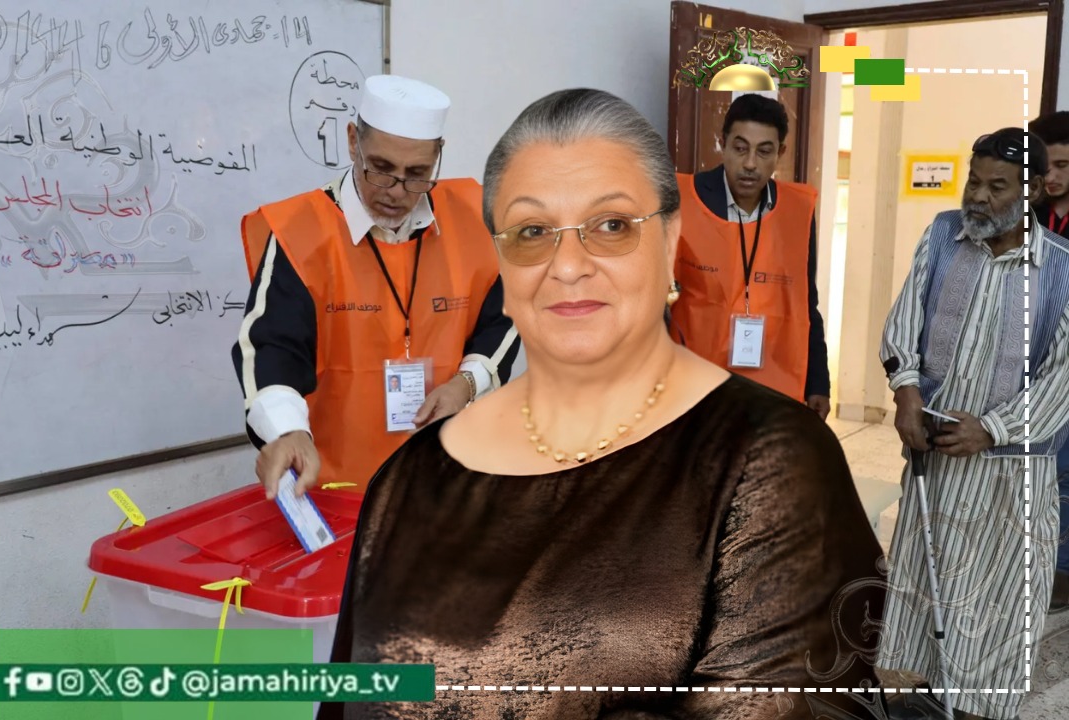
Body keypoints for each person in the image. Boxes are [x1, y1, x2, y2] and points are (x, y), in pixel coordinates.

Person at [318, 89, 886, 720]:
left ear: (669, 240)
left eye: (612, 226)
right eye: (532, 232)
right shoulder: (409, 479)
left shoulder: (774, 466)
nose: (568, 266)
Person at [232, 75, 520, 497]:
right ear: (353, 141)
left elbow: (506, 317)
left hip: (447, 477)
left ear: (438, 155)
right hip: (337, 486)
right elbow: (272, 348)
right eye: (381, 169)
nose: (397, 192)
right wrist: (287, 432)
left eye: (417, 174)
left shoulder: (473, 219)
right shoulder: (300, 233)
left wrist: (466, 385)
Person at [878, 128, 1069, 720]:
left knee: (999, 608)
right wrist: (906, 392)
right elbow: (905, 321)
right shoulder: (942, 236)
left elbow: (1063, 377)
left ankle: (976, 712)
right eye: (974, 182)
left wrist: (991, 429)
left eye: (998, 186)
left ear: (1032, 191)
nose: (979, 197)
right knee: (924, 593)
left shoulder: (1062, 269)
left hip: (1011, 479)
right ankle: (917, 701)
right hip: (936, 464)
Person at [668, 93, 831, 419]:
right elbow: (650, 299)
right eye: (740, 148)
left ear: (780, 152)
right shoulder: (684, 200)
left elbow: (806, 302)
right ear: (723, 143)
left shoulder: (797, 211)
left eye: (764, 151)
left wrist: (818, 382)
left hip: (774, 385)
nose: (750, 164)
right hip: (695, 383)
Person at [1029, 110, 1069, 613]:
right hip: (1027, 363)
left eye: (1063, 166)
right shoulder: (1025, 214)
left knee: (1064, 472)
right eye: (1045, 166)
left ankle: (1061, 571)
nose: (1052, 176)